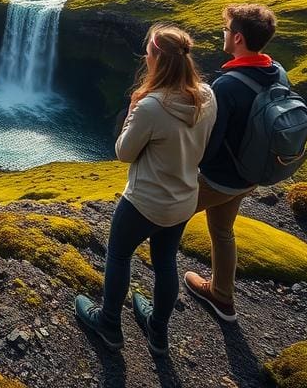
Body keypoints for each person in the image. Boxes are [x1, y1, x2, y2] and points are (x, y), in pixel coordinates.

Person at [76, 24, 216, 356]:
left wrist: (132, 108)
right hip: (183, 198)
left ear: (155, 58)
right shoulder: (207, 95)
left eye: (148, 52)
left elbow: (123, 152)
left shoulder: (151, 106)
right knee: (166, 261)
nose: (145, 57)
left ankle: (108, 323)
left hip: (144, 201)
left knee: (119, 255)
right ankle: (158, 334)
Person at [184, 3, 282, 322]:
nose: (223, 35)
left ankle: (146, 291)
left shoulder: (227, 86)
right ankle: (222, 297)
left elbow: (209, 143)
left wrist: (188, 168)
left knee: (160, 217)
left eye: (226, 31)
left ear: (237, 38)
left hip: (219, 178)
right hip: (251, 174)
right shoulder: (277, 72)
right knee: (222, 230)